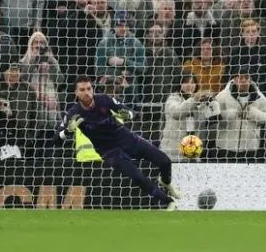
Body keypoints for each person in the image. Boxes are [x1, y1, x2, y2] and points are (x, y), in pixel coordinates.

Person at [55, 76, 179, 210]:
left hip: (125, 137)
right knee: (137, 177)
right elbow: (55, 139)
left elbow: (130, 111)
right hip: (108, 150)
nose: (87, 92)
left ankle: (165, 181)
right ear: (76, 93)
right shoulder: (73, 113)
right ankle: (168, 201)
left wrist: (128, 115)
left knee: (165, 161)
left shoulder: (104, 100)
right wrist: (67, 131)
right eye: (82, 90)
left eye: (89, 88)